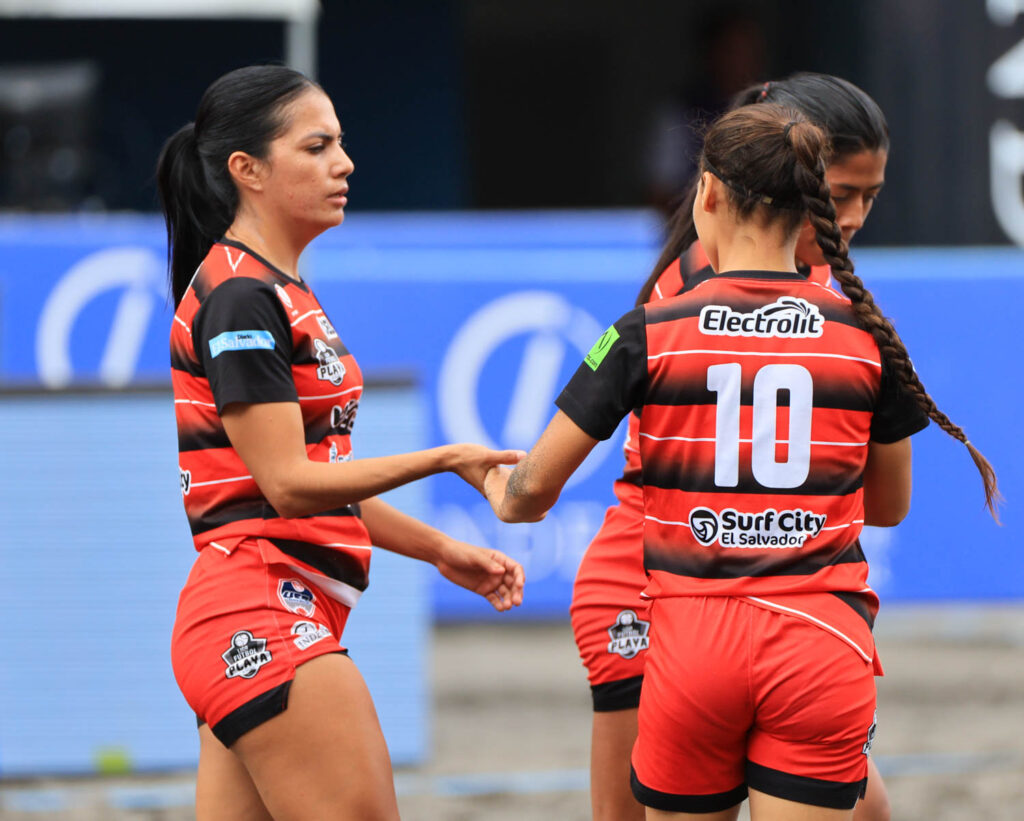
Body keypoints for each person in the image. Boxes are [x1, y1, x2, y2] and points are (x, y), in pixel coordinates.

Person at [485, 102, 999, 820]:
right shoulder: (866, 336)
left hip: (693, 643)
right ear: (811, 205)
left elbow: (527, 495)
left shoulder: (644, 331)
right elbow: (888, 508)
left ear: (709, 193)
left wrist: (487, 477)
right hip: (821, 638)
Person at [157, 65, 525, 821]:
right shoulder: (241, 297)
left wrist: (439, 549)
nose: (345, 163)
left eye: (340, 143)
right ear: (247, 170)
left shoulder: (270, 287)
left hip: (258, 610)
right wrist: (446, 457)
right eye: (317, 146)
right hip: (260, 607)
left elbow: (304, 484)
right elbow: (289, 484)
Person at [572, 73, 897, 821]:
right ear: (787, 177)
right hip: (651, 583)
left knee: (869, 808)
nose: (852, 217)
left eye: (870, 197)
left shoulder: (824, 285)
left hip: (750, 606)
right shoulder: (702, 287)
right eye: (840, 194)